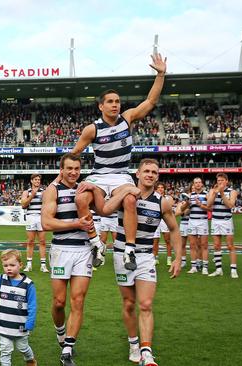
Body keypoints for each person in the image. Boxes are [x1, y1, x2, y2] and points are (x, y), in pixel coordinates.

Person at [71, 54, 167, 271]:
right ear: (101, 106)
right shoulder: (92, 129)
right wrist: (64, 177)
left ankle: (129, 250)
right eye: (110, 102)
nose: (115, 105)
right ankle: (96, 243)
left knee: (131, 200)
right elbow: (74, 154)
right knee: (81, 198)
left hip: (121, 175)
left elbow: (150, 101)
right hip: (98, 175)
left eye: (117, 101)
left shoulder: (127, 119)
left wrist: (160, 74)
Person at [99, 158, 182, 366]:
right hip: (121, 254)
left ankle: (146, 352)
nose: (150, 175)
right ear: (137, 174)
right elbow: (104, 210)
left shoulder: (162, 202)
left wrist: (179, 258)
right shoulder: (124, 194)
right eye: (146, 171)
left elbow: (174, 229)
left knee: (145, 304)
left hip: (145, 256)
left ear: (158, 176)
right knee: (128, 304)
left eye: (154, 172)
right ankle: (133, 343)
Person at [41, 153, 96, 366]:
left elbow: (104, 208)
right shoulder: (52, 190)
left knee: (78, 300)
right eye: (69, 168)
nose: (73, 172)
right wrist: (76, 224)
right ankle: (60, 332)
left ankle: (68, 348)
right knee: (59, 302)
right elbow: (46, 223)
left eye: (77, 169)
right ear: (61, 170)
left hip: (83, 250)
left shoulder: (86, 189)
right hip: (61, 250)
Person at [207, 173, 239, 278]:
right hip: (215, 220)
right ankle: (218, 269)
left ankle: (233, 270)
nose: (219, 182)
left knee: (230, 245)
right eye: (218, 180)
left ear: (226, 181)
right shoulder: (212, 190)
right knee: (216, 245)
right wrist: (215, 193)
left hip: (226, 220)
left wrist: (222, 193)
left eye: (221, 180)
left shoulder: (232, 192)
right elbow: (208, 205)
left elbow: (230, 205)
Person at [20, 174, 48, 272]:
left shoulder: (44, 192)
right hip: (31, 217)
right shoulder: (26, 192)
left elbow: (48, 204)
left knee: (42, 241)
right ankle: (29, 264)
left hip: (41, 217)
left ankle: (43, 265)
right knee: (30, 241)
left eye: (39, 180)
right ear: (31, 181)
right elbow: (23, 205)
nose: (37, 181)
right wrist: (32, 194)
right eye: (35, 179)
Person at [187, 177, 211, 274]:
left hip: (202, 221)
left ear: (202, 184)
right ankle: (194, 267)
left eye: (199, 182)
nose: (197, 184)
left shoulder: (207, 194)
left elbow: (210, 208)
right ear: (193, 184)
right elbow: (186, 211)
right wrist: (187, 205)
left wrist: (200, 205)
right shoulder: (189, 195)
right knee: (192, 245)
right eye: (195, 182)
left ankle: (205, 267)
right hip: (192, 221)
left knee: (204, 245)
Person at [152, 182, 172, 266]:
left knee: (167, 240)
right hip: (155, 220)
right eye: (158, 187)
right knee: (155, 241)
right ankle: (155, 258)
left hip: (165, 220)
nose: (160, 189)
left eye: (162, 187)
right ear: (155, 189)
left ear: (164, 189)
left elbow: (168, 209)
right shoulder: (152, 198)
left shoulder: (168, 198)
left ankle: (169, 258)